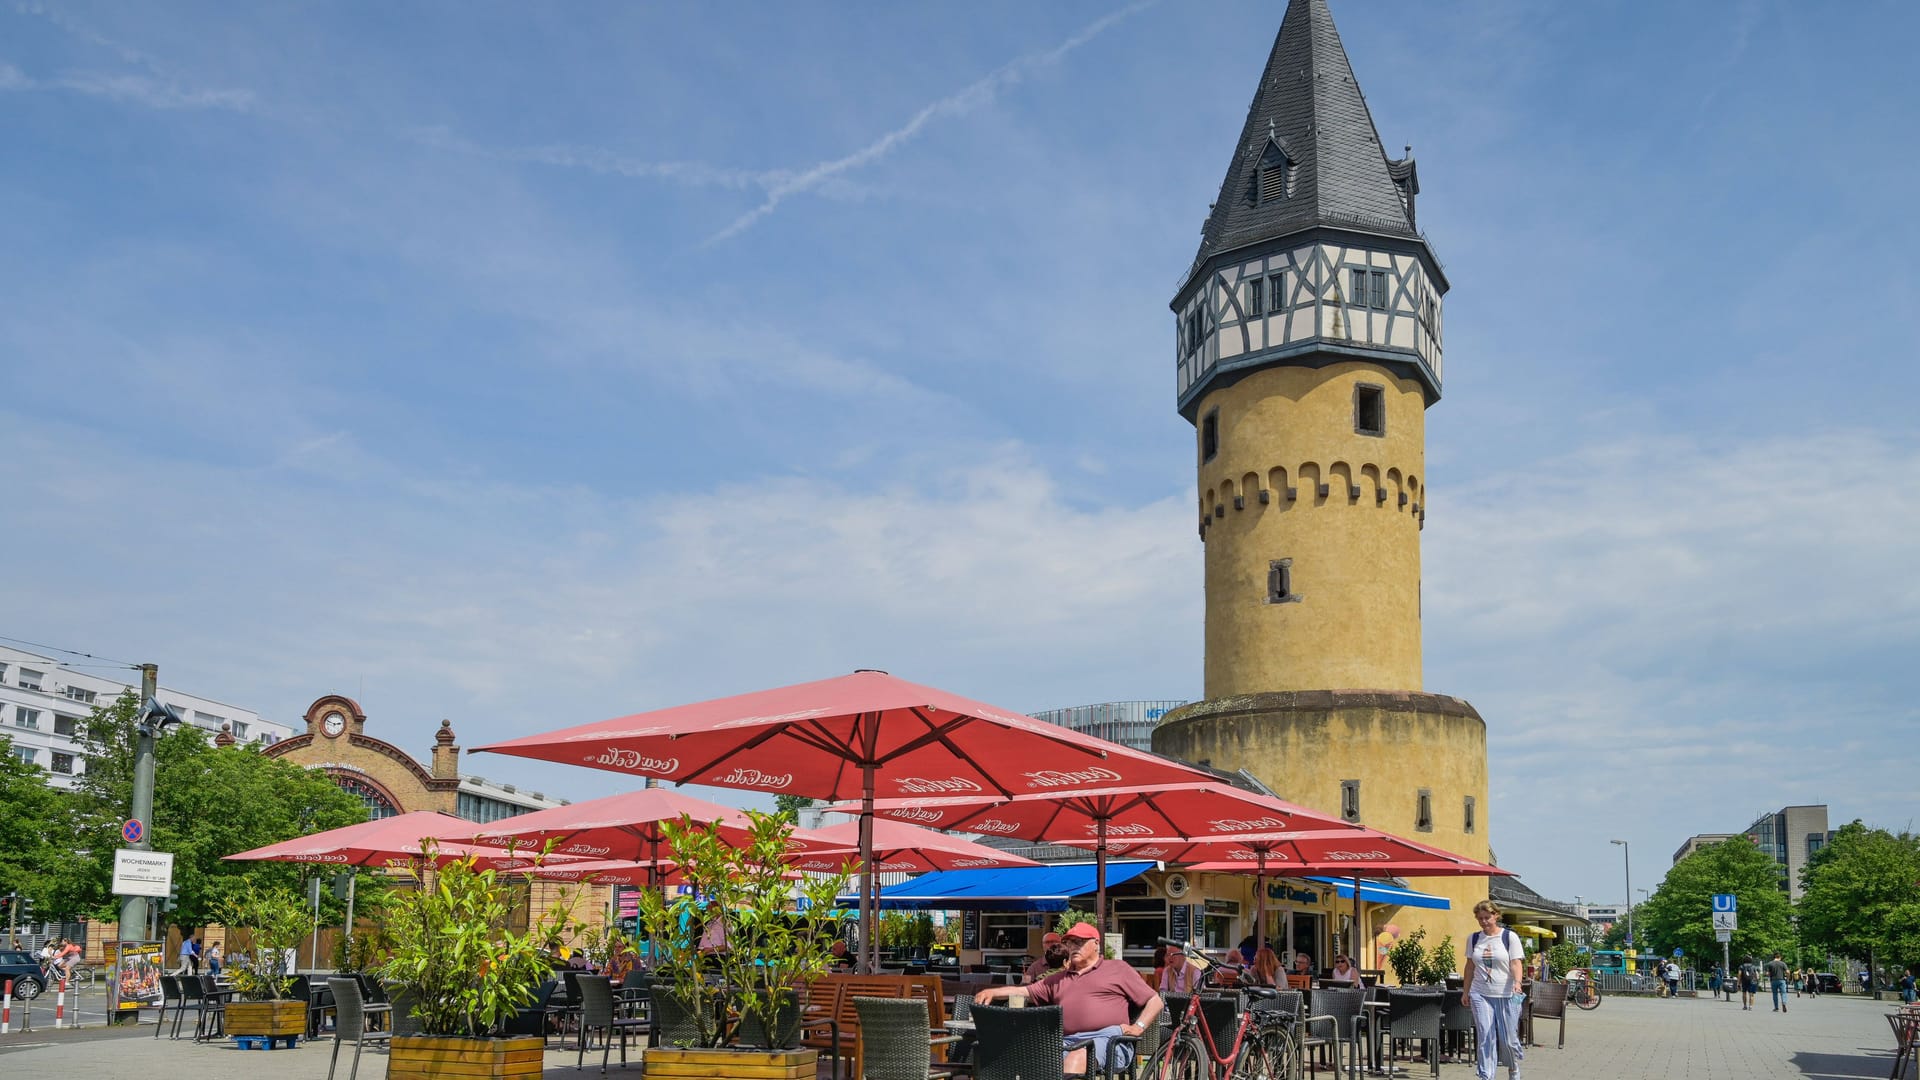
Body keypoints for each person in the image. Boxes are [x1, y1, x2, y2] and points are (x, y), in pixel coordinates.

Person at [974, 922, 1162, 1077]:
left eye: (1079, 942)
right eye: (1070, 943)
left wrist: (1139, 1027)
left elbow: (1155, 1001)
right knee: (1025, 1058)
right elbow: (1026, 991)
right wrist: (993, 992)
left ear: (1096, 943)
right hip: (1064, 1041)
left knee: (1077, 1058)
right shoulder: (1059, 978)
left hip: (1109, 1040)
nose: (1073, 947)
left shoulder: (1117, 969)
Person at [1460, 900, 1524, 1080]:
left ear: (1496, 916)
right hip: (1480, 993)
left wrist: (1517, 982)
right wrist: (1466, 992)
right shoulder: (1474, 939)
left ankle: (1513, 1067)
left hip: (1506, 994)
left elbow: (1515, 962)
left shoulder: (1509, 937)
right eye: (1480, 918)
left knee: (1508, 1039)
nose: (1484, 921)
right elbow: (1470, 966)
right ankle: (1486, 1075)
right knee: (1485, 1036)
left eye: (1487, 917)